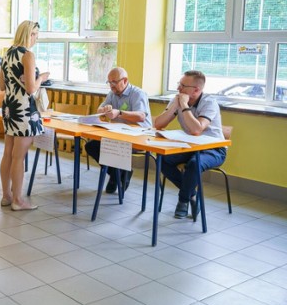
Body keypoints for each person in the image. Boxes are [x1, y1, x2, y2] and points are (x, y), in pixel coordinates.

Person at [153, 70, 227, 219]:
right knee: (162, 159)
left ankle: (183, 201)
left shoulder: (209, 102)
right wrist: (174, 106)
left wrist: (185, 106)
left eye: (183, 86)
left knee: (194, 164)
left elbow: (196, 130)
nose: (179, 88)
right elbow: (158, 124)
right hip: (189, 146)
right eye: (179, 84)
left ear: (197, 90)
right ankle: (191, 194)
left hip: (213, 148)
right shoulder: (177, 99)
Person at [0, 20, 50, 211]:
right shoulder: (27, 55)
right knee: (19, 157)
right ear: (28, 34)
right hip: (24, 110)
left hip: (10, 107)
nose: (36, 38)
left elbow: (2, 86)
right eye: (35, 34)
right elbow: (30, 89)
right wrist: (41, 78)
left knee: (8, 154)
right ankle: (18, 200)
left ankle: (6, 195)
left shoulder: (7, 54)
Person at [85, 67, 152, 193]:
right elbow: (99, 109)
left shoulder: (138, 93)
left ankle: (116, 177)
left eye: (114, 82)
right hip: (118, 134)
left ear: (125, 80)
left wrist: (119, 113)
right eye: (109, 82)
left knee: (112, 146)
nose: (111, 86)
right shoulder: (112, 93)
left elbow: (141, 116)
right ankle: (119, 175)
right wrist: (104, 110)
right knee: (91, 146)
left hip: (139, 136)